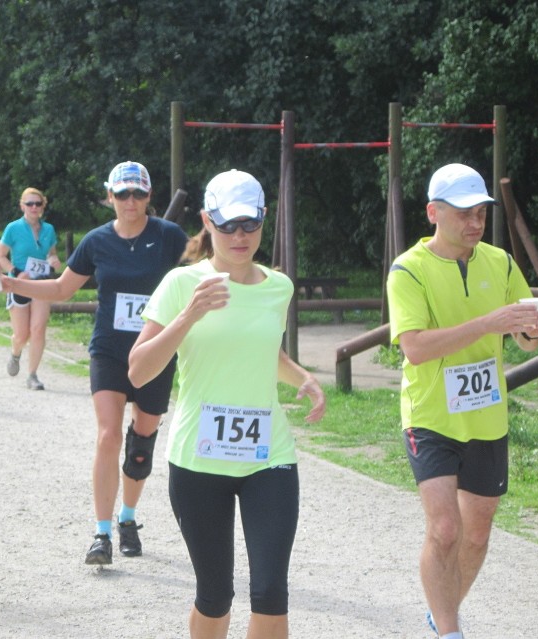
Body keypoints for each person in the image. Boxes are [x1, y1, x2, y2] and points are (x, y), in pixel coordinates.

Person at [128, 169, 326, 639]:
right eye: (228, 225)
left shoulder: (279, 288)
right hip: (199, 461)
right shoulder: (182, 284)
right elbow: (138, 370)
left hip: (268, 458)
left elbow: (261, 349)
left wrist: (302, 377)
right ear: (207, 222)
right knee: (215, 597)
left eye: (250, 225)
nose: (240, 236)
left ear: (263, 221)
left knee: (271, 594)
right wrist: (190, 314)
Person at [386, 163, 538, 639]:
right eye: (464, 213)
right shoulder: (408, 270)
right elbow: (414, 348)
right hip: (431, 416)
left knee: (477, 532)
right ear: (434, 212)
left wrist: (531, 330)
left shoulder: (499, 262)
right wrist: (488, 324)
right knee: (446, 530)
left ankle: (444, 610)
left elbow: (523, 338)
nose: (475, 222)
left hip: (487, 416)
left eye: (480, 212)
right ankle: (450, 632)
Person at [2, 161, 188, 564]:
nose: (130, 202)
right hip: (109, 351)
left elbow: (198, 276)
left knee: (141, 444)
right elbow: (62, 288)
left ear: (149, 196)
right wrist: (13, 283)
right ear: (110, 197)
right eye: (122, 194)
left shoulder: (170, 237)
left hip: (154, 352)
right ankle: (101, 534)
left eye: (138, 194)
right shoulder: (97, 241)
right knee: (108, 435)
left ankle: (128, 518)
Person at [0, 187, 61, 391]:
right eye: (30, 204)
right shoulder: (13, 228)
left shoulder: (48, 229)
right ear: (22, 206)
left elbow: (51, 253)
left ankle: (32, 375)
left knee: (38, 329)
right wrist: (14, 271)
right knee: (22, 335)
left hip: (41, 283)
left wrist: (53, 260)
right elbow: (0, 256)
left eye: (38, 204)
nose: (34, 207)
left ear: (43, 206)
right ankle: (15, 352)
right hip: (20, 282)